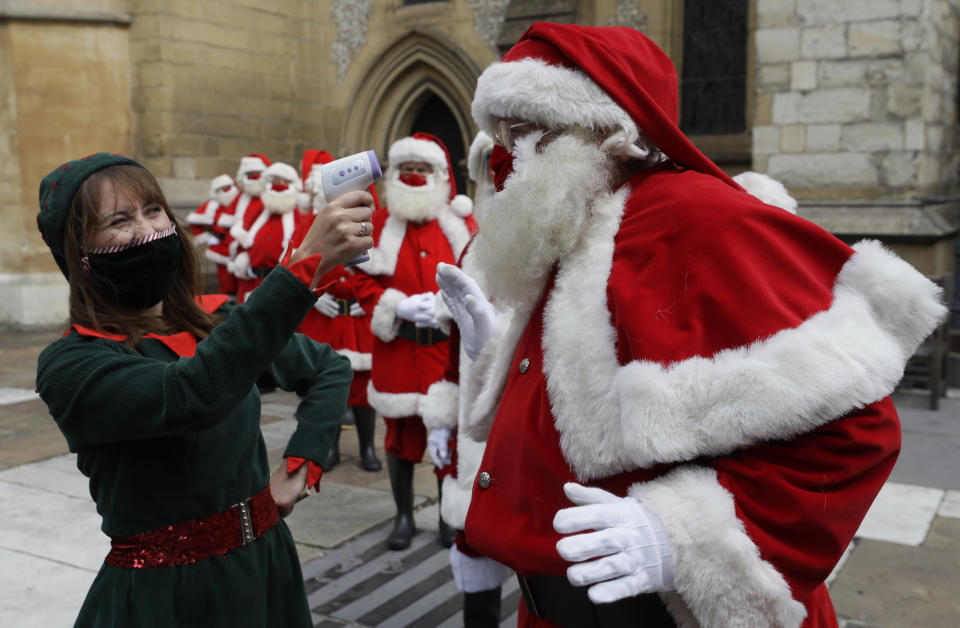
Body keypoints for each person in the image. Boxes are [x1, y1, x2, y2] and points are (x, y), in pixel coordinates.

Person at [436, 23, 946, 628]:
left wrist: (680, 537)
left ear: (604, 127)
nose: (504, 159)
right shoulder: (569, 224)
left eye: (521, 133)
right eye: (500, 135)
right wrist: (497, 358)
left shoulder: (699, 219)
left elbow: (856, 430)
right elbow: (582, 411)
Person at [35, 152, 374, 627]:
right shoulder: (72, 365)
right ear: (81, 257)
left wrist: (303, 464)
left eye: (153, 211)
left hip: (267, 568)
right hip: (168, 598)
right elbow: (192, 393)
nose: (146, 229)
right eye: (119, 220)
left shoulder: (217, 322)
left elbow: (328, 368)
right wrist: (302, 266)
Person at [353, 132, 476, 550]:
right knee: (400, 440)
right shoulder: (378, 224)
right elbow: (354, 280)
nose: (413, 176)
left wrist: (446, 305)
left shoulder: (462, 224)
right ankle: (404, 516)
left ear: (439, 175)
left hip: (444, 354)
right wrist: (394, 305)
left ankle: (446, 516)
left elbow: (480, 280)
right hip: (398, 351)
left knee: (448, 440)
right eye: (406, 169)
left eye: (422, 169)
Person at [422, 131, 509, 627]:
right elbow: (450, 351)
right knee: (477, 562)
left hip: (538, 437)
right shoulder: (473, 251)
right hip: (476, 440)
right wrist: (441, 418)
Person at [297, 149, 382, 473]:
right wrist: (311, 294)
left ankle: (366, 449)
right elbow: (294, 261)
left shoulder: (377, 224)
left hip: (359, 317)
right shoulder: (312, 223)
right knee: (328, 386)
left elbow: (385, 270)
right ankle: (329, 447)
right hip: (326, 316)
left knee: (362, 389)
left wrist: (372, 297)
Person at [186, 173, 239, 247]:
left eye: (226, 188)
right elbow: (193, 221)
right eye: (220, 189)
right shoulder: (211, 206)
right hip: (221, 245)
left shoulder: (241, 201)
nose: (224, 192)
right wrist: (207, 238)